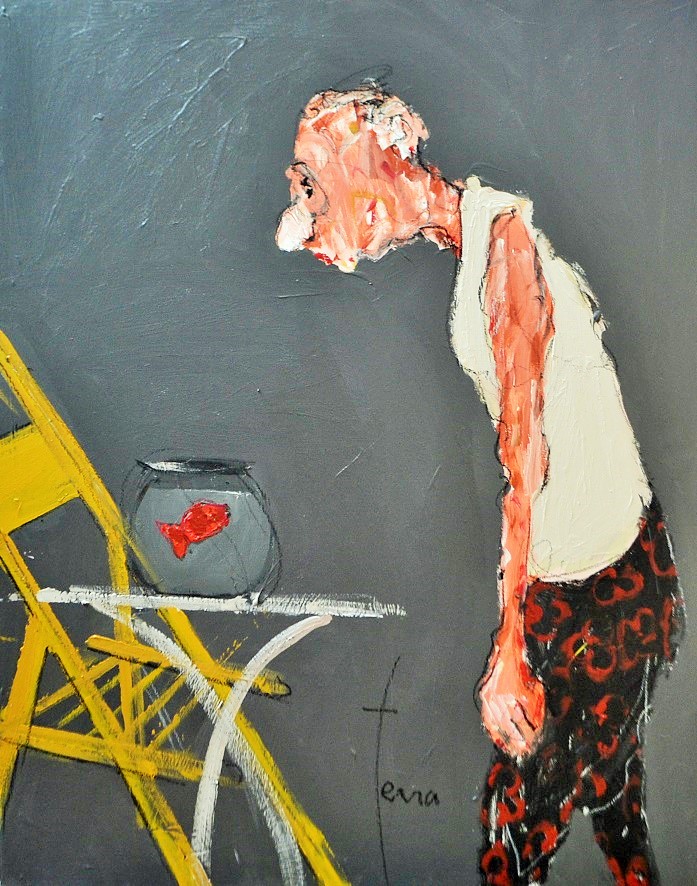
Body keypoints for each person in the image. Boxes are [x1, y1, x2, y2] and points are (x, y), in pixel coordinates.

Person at [276, 85, 684, 885]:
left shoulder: (504, 246)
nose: (300, 217)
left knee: (517, 832)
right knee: (611, 803)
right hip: (604, 573)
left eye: (311, 186)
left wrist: (509, 650)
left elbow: (523, 453)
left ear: (371, 172)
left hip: (600, 587)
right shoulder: (477, 244)